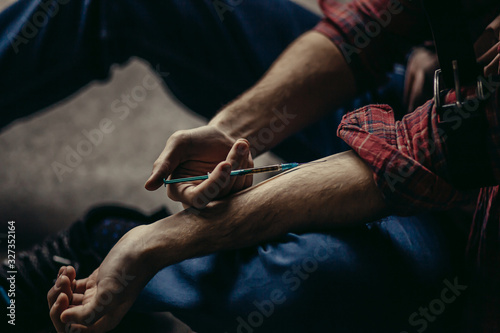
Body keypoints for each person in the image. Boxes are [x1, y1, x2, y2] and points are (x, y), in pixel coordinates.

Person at [0, 0, 498, 332]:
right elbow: (362, 31)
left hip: (468, 223)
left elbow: (422, 156)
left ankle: (103, 252)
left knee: (298, 285)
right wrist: (232, 130)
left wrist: (152, 244)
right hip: (426, 108)